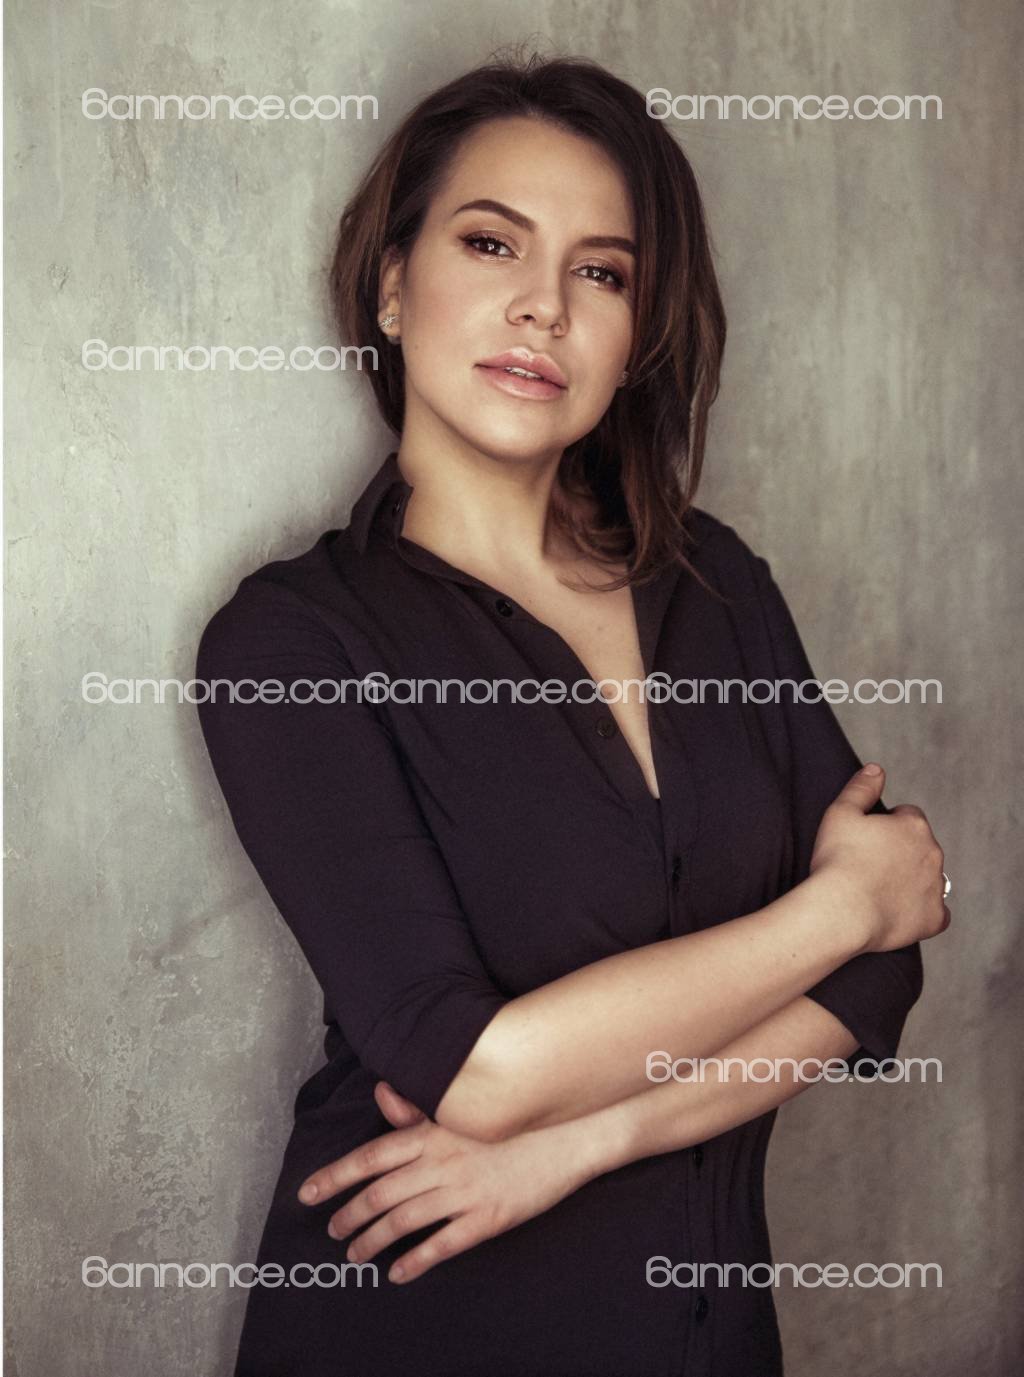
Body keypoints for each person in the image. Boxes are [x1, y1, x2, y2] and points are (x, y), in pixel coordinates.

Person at [195, 51, 950, 1377]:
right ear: (392, 284)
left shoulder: (717, 587)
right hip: (418, 1327)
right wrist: (842, 905)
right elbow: (474, 1070)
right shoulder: (290, 645)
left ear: (636, 331)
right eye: (492, 243)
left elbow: (884, 974)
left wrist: (576, 1144)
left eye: (601, 272)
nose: (543, 305)